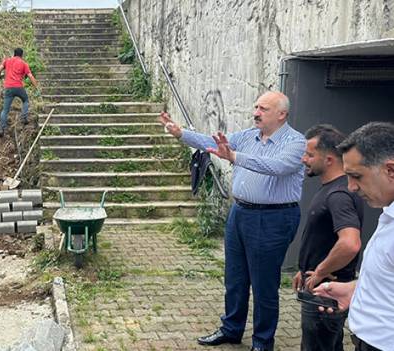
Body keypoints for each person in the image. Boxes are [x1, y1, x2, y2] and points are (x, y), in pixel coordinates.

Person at [159, 91, 306, 351]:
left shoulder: (295, 142)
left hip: (273, 217)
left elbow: (277, 166)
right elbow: (212, 143)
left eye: (263, 108)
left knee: (264, 284)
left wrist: (235, 157)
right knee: (235, 278)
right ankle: (231, 329)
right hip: (240, 213)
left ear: (281, 114)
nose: (256, 112)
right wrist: (181, 133)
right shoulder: (249, 135)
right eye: (256, 107)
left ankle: (262, 342)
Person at [313, 122, 394, 351]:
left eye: (356, 176)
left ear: (391, 170)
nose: (351, 187)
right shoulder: (388, 212)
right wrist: (356, 290)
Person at [293, 124, 363, 351]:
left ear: (330, 159)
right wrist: (304, 269)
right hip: (319, 285)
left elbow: (350, 243)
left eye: (310, 154)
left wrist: (321, 271)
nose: (304, 159)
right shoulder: (332, 187)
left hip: (326, 292)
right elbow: (323, 238)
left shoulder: (338, 194)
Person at [0, 47, 39, 137]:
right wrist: (36, 87)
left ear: (14, 54)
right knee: (26, 100)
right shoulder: (24, 63)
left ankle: (1, 129)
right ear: (21, 55)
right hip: (19, 87)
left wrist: (0, 76)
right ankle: (24, 117)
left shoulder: (7, 61)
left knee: (5, 110)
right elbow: (30, 76)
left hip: (8, 88)